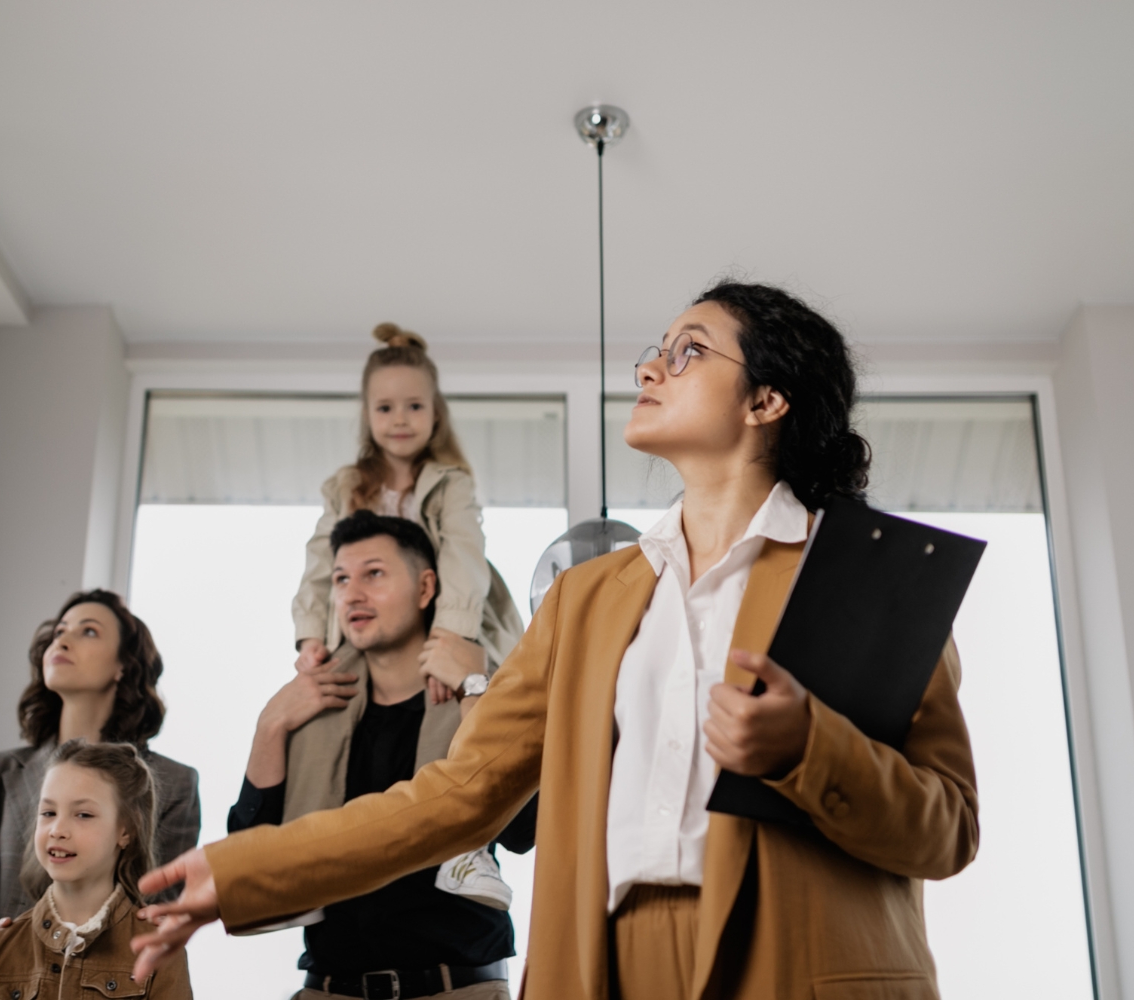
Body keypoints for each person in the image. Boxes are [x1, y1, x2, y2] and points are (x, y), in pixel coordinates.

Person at [130, 281, 979, 1000]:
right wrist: (242, 869)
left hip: (805, 967)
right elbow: (454, 797)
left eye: (687, 352)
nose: (648, 366)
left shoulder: (873, 577)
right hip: (604, 968)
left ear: (766, 401)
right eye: (655, 348)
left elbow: (947, 829)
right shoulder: (582, 601)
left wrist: (808, 748)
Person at [231, 510, 536, 999]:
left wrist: (473, 688)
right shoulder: (312, 709)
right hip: (329, 989)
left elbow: (526, 830)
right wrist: (270, 725)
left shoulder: (479, 693)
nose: (353, 593)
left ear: (425, 587)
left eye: (374, 574)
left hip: (459, 989)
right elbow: (250, 857)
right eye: (341, 579)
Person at [0, 590, 201, 995]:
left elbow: (157, 907)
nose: (63, 640)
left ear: (123, 666)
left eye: (88, 631)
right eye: (59, 631)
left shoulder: (174, 784)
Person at [293, 323, 524, 702]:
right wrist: (312, 637)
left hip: (442, 622)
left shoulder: (451, 484)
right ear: (368, 417)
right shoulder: (345, 486)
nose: (400, 419)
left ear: (436, 414)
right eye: (385, 408)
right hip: (373, 631)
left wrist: (450, 636)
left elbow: (462, 557)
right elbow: (320, 564)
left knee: (460, 704)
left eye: (414, 406)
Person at [0, 739, 191, 1000]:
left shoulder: (159, 949)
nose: (57, 830)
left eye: (83, 815)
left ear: (126, 831)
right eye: (48, 813)